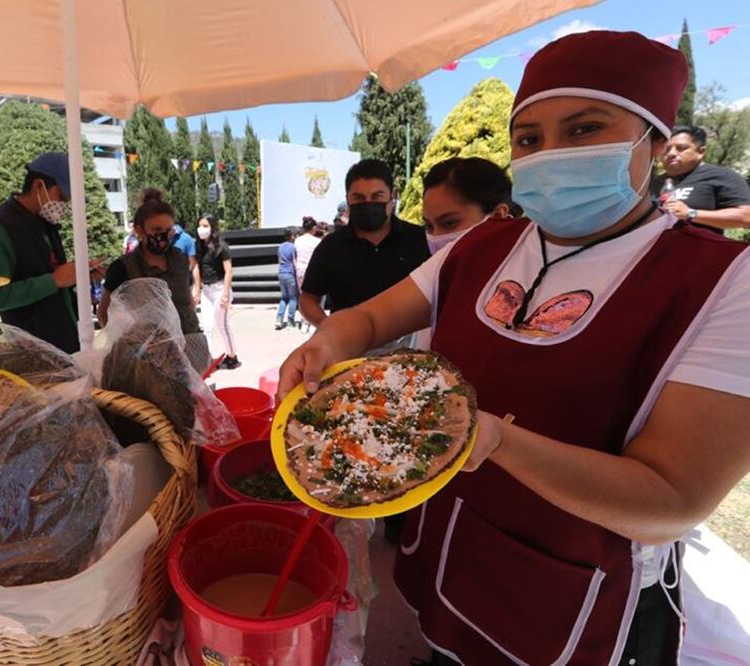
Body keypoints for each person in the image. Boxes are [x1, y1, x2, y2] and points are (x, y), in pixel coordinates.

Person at [279, 31, 750, 665]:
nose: (552, 154)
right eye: (529, 139)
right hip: (451, 547)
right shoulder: (484, 245)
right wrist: (328, 339)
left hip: (580, 590)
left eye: (584, 130)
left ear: (657, 145)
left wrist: (496, 441)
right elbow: (366, 321)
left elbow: (672, 500)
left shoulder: (722, 282)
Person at [0, 152, 104, 354]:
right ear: (39, 186)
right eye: (62, 196)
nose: (65, 205)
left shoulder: (44, 223)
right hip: (33, 355)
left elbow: (47, 273)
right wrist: (54, 281)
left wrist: (77, 275)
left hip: (66, 346)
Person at [298, 158, 429, 329]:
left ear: (392, 196)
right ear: (348, 200)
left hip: (413, 350)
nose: (368, 203)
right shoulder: (331, 247)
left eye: (377, 196)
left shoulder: (420, 240)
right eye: (359, 198)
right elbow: (307, 300)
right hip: (349, 350)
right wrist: (329, 328)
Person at [99, 188, 210, 372]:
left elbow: (186, 301)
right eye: (156, 229)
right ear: (138, 230)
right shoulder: (123, 268)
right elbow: (104, 314)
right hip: (150, 358)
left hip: (190, 345)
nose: (163, 236)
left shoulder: (181, 259)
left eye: (168, 230)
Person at [651, 124, 750, 233]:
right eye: (666, 149)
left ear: (701, 152)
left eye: (682, 148)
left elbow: (746, 217)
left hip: (702, 248)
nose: (671, 153)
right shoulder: (653, 182)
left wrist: (690, 213)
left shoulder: (721, 176)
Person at [421, 156, 515, 254]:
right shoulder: (430, 268)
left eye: (450, 223)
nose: (436, 237)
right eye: (429, 226)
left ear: (498, 216)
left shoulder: (528, 265)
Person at [192, 215, 240, 369]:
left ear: (213, 228)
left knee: (222, 324)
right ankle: (207, 359)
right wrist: (197, 289)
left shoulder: (221, 247)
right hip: (206, 290)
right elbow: (197, 268)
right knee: (206, 325)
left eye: (205, 225)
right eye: (200, 225)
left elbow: (228, 271)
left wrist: (225, 295)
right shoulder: (199, 246)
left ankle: (232, 357)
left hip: (220, 288)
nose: (201, 229)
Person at [276, 227, 299, 330]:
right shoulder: (292, 247)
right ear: (292, 236)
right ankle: (290, 320)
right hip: (290, 274)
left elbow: (279, 261)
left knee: (284, 297)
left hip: (281, 273)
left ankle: (279, 319)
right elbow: (294, 262)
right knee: (293, 298)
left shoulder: (280, 247)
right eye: (295, 235)